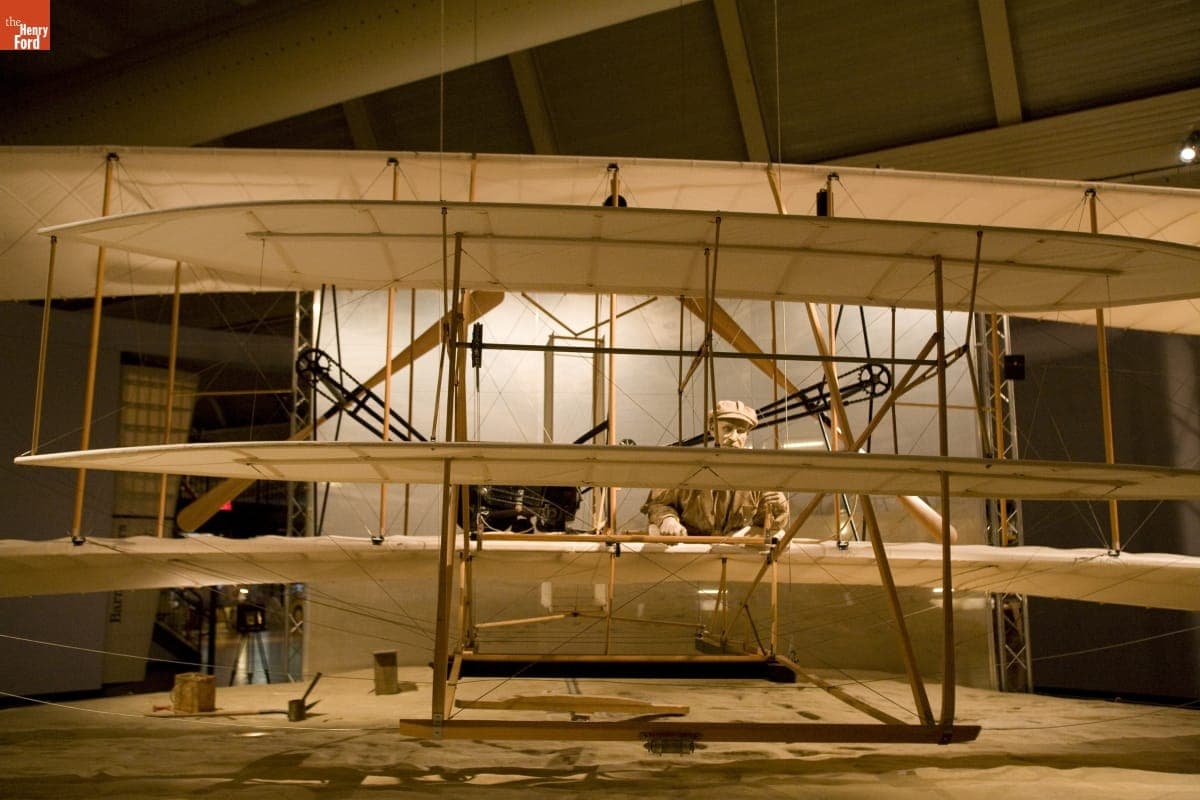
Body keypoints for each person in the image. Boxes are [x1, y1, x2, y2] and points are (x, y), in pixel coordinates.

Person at [641, 399, 789, 536]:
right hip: (689, 548)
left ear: (747, 435)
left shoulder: (758, 476)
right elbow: (658, 504)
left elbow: (768, 525)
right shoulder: (689, 469)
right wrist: (668, 519)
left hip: (734, 552)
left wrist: (779, 506)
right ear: (712, 430)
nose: (733, 437)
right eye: (727, 429)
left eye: (741, 431)